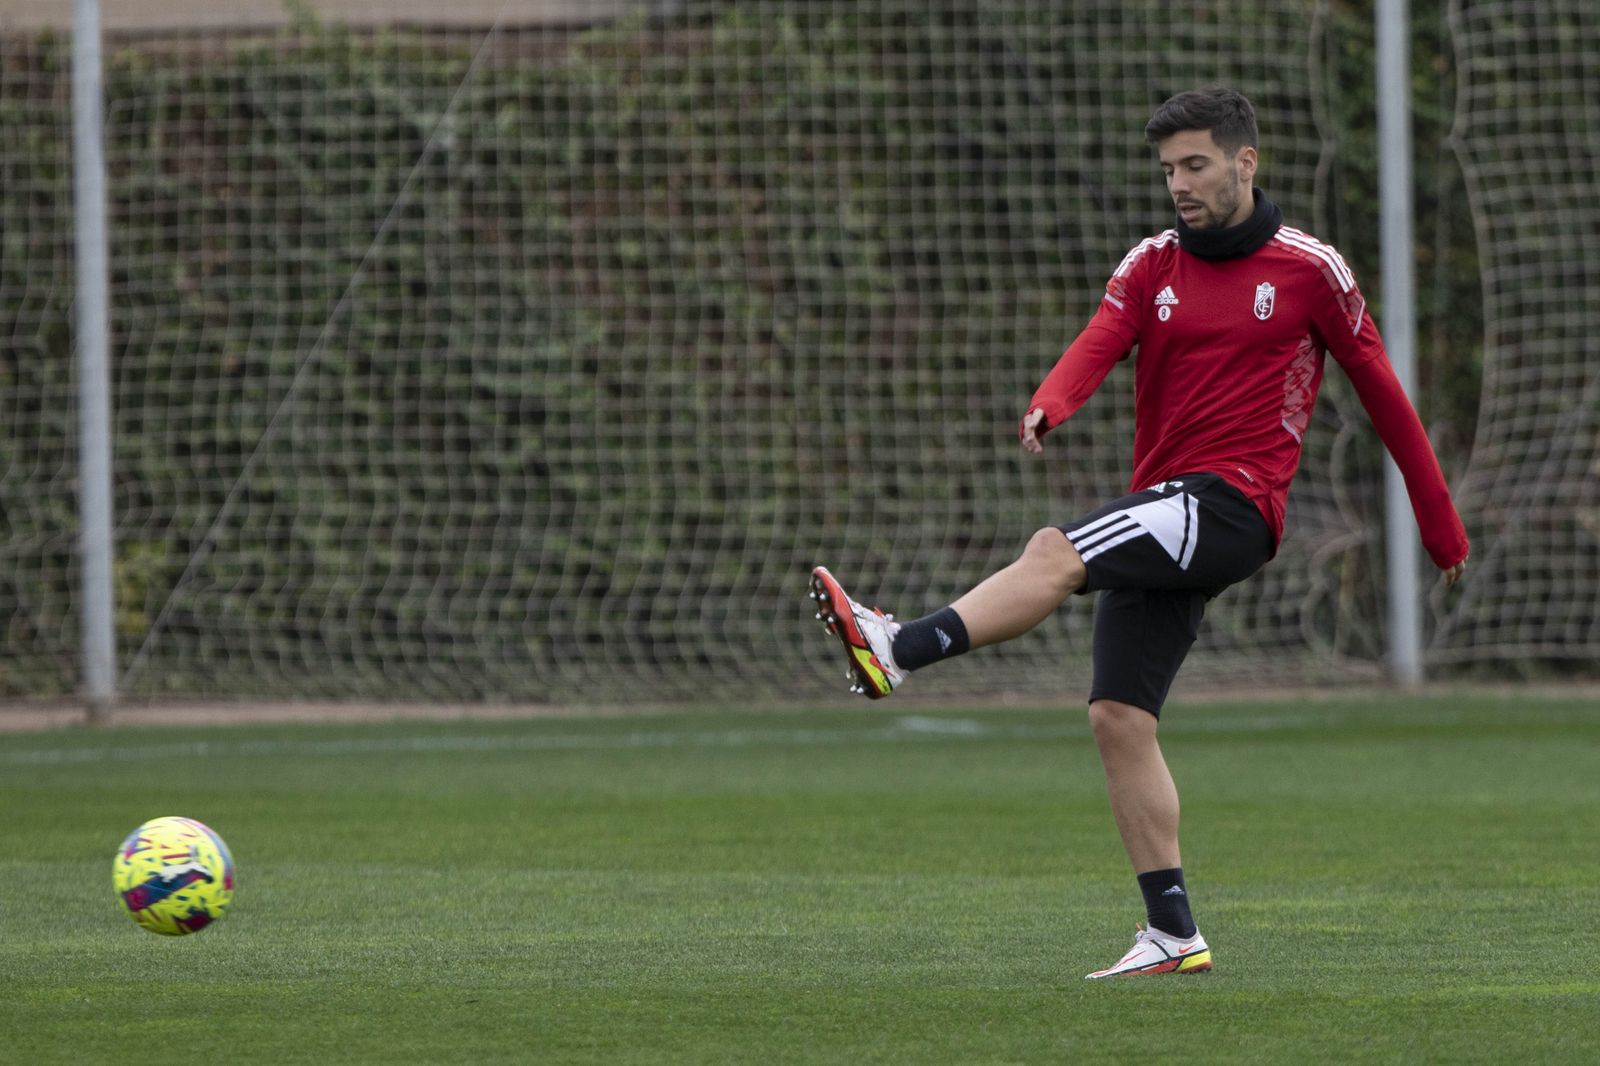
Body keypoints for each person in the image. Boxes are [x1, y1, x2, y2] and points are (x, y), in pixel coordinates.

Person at [807, 87, 1469, 979]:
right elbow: (1101, 335)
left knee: (1054, 551)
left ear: (1246, 162)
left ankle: (899, 647)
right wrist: (1053, 400)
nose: (1179, 185)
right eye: (1168, 170)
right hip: (1170, 505)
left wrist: (1442, 532)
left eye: (1195, 165)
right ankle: (1172, 932)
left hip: (1234, 503)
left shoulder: (1313, 270)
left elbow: (1385, 394)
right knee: (1119, 717)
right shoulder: (1152, 263)